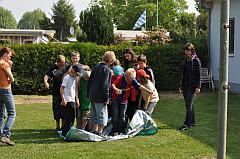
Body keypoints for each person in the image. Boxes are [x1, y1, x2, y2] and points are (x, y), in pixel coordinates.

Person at [111, 68, 153, 135]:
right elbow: (113, 85)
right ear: (125, 76)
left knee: (122, 116)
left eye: (131, 80)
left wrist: (148, 91)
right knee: (115, 115)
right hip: (115, 100)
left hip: (124, 101)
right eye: (128, 80)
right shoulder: (120, 78)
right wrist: (116, 89)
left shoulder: (133, 80)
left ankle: (121, 130)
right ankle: (114, 130)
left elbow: (140, 86)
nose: (129, 82)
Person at [88, 51, 116, 135]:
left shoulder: (96, 67)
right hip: (100, 96)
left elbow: (90, 81)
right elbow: (105, 85)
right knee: (102, 115)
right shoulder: (107, 69)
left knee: (94, 114)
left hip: (92, 95)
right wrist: (106, 98)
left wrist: (88, 93)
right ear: (111, 59)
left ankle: (94, 130)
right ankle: (99, 132)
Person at [179, 43, 201, 130]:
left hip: (193, 86)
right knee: (189, 105)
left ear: (192, 51)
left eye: (188, 51)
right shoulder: (185, 60)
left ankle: (186, 124)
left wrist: (198, 86)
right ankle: (192, 122)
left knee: (188, 105)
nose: (186, 52)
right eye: (186, 51)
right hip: (185, 85)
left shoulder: (196, 60)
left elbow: (199, 75)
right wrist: (181, 85)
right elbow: (183, 74)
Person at [43, 55, 68, 131]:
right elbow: (47, 75)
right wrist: (45, 82)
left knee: (64, 108)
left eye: (63, 62)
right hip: (56, 91)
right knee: (56, 108)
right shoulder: (53, 67)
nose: (61, 64)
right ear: (57, 62)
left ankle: (63, 125)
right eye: (60, 62)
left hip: (65, 92)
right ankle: (57, 125)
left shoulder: (67, 67)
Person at [0, 47, 16, 146]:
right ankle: (6, 135)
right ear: (5, 54)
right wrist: (9, 66)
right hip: (6, 90)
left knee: (0, 115)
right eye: (9, 56)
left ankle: (0, 135)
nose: (10, 58)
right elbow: (12, 79)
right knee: (12, 114)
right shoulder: (4, 64)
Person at [60, 65, 80, 136]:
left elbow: (75, 89)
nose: (77, 75)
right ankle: (65, 132)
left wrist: (77, 99)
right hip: (67, 100)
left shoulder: (74, 78)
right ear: (73, 71)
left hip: (73, 99)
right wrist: (63, 99)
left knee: (72, 116)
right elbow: (62, 88)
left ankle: (69, 131)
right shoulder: (67, 77)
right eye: (76, 73)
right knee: (68, 117)